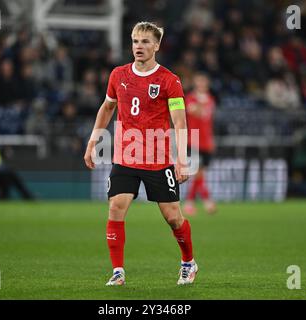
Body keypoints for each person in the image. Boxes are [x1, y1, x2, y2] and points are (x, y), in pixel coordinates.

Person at [84, 22, 197, 286]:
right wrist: (93, 142)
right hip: (125, 157)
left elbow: (179, 122)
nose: (139, 46)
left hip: (158, 159)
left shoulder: (170, 80)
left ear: (157, 46)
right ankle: (118, 272)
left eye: (146, 42)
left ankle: (188, 262)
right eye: (135, 41)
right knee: (116, 208)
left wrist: (181, 159)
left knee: (172, 217)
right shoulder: (118, 75)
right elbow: (107, 107)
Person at [183, 73, 217, 215]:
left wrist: (211, 138)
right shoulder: (190, 98)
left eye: (203, 82)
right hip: (193, 140)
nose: (201, 84)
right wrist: (201, 103)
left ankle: (190, 202)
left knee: (200, 174)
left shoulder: (210, 99)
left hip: (206, 142)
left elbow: (208, 121)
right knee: (198, 172)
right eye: (199, 82)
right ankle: (206, 201)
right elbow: (195, 111)